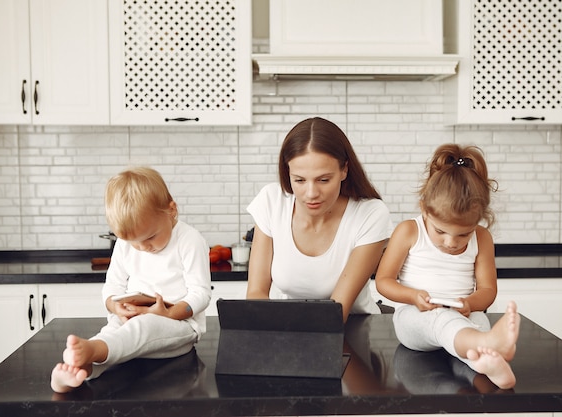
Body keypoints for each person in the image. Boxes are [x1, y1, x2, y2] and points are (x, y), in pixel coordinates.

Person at [50, 167, 211, 393]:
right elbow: (112, 287)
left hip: (179, 324)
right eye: (134, 242)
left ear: (171, 210)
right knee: (113, 332)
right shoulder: (125, 245)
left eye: (151, 237)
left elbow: (201, 294)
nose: (143, 247)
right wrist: (116, 307)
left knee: (141, 327)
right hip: (134, 318)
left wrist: (167, 313)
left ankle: (92, 352)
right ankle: (79, 371)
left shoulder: (189, 240)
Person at [375, 143, 520, 389]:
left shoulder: (482, 238)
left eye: (463, 234)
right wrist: (414, 296)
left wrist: (470, 304)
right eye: (440, 231)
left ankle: (487, 363)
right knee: (441, 319)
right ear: (424, 209)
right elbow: (383, 282)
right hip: (415, 318)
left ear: (479, 219)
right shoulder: (409, 231)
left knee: (477, 321)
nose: (451, 243)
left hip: (462, 314)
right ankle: (487, 345)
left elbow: (487, 291)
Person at [246, 117, 392, 321]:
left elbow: (338, 309)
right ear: (288, 173)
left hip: (355, 328)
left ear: (344, 170)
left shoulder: (370, 214)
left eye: (323, 180)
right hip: (288, 327)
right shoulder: (272, 200)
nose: (311, 193)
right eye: (299, 180)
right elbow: (256, 295)